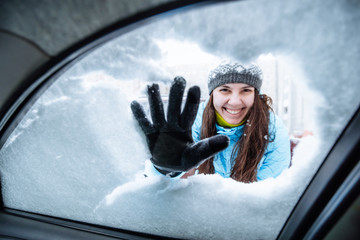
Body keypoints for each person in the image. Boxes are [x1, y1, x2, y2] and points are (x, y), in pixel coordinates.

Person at [131, 62, 291, 183]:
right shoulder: (193, 122)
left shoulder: (273, 130)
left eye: (246, 90)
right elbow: (163, 190)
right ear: (212, 94)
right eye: (225, 89)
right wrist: (164, 169)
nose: (235, 102)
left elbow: (268, 194)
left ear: (255, 94)